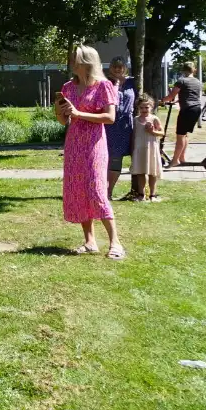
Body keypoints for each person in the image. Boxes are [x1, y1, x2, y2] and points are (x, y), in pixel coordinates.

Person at [56, 45, 125, 260]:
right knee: (78, 190)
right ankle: (90, 241)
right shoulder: (68, 87)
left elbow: (110, 118)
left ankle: (116, 243)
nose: (71, 62)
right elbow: (63, 121)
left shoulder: (103, 86)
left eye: (75, 59)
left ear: (86, 62)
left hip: (94, 144)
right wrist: (61, 111)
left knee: (96, 190)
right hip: (74, 144)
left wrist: (79, 113)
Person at [104, 57, 136, 200]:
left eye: (120, 67)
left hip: (126, 125)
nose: (117, 69)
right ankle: (102, 191)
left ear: (125, 68)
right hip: (109, 124)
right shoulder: (105, 83)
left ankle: (109, 191)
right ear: (110, 68)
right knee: (106, 157)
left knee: (117, 158)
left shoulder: (132, 82)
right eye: (115, 67)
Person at [161, 62, 203, 167]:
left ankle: (175, 161)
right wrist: (178, 101)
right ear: (194, 70)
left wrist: (161, 101)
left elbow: (171, 96)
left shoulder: (181, 81)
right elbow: (190, 95)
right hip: (196, 109)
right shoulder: (198, 82)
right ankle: (182, 157)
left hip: (187, 109)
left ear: (183, 70)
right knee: (185, 135)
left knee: (180, 136)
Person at [130, 94, 164, 202]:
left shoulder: (154, 118)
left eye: (146, 107)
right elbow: (134, 134)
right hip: (139, 148)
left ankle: (152, 194)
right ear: (138, 108)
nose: (144, 110)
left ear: (151, 107)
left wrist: (152, 131)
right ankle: (141, 194)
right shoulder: (135, 119)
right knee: (140, 172)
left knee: (152, 172)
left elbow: (162, 133)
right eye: (141, 108)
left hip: (151, 148)